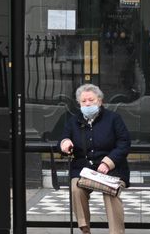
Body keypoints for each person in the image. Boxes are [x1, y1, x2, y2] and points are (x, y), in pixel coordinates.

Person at [59, 83, 131, 234]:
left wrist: (108, 162)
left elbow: (124, 143)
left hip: (112, 169)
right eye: (83, 101)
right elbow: (63, 137)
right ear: (79, 103)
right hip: (82, 168)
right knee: (76, 188)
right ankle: (85, 229)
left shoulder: (113, 118)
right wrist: (65, 143)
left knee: (111, 193)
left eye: (91, 100)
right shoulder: (73, 121)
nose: (87, 103)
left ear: (100, 101)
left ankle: (116, 232)